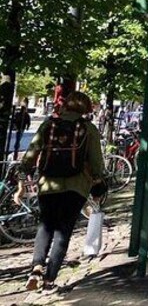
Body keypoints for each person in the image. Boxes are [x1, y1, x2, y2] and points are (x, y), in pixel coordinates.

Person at [15, 91, 105, 292]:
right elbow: (96, 162)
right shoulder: (88, 129)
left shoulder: (49, 124)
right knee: (63, 231)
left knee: (45, 225)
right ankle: (50, 278)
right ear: (86, 108)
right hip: (76, 186)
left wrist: (22, 181)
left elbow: (30, 155)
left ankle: (36, 267)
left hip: (48, 185)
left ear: (66, 105)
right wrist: (98, 183)